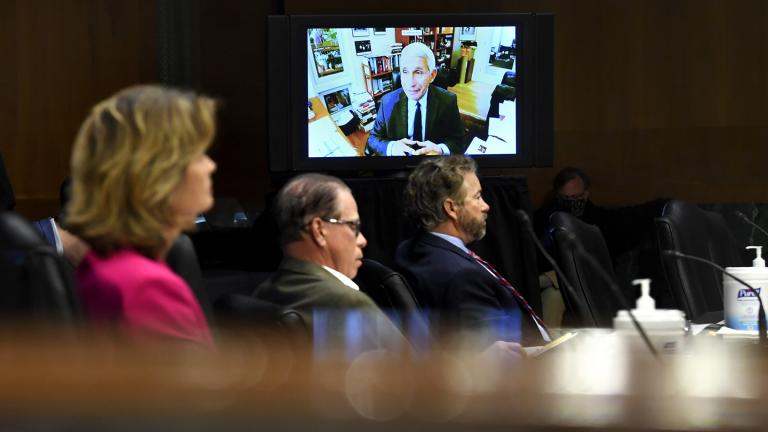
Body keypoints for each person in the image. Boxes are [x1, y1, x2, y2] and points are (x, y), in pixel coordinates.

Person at [66, 85, 216, 348]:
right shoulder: (148, 288)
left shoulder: (105, 263)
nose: (210, 165)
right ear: (160, 174)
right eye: (198, 155)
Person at [393, 155, 550, 347]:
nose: (486, 206)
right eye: (477, 197)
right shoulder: (462, 276)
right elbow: (499, 354)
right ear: (451, 208)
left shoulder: (411, 249)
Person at [252, 173, 405, 351]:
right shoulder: (349, 303)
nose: (362, 240)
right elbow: (416, 373)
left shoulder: (262, 292)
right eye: (353, 226)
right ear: (319, 230)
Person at [366, 42, 465, 157]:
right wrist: (391, 147)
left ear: (432, 75)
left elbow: (459, 141)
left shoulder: (448, 101)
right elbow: (373, 139)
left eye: (418, 72)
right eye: (405, 71)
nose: (410, 83)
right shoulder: (387, 102)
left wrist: (441, 149)